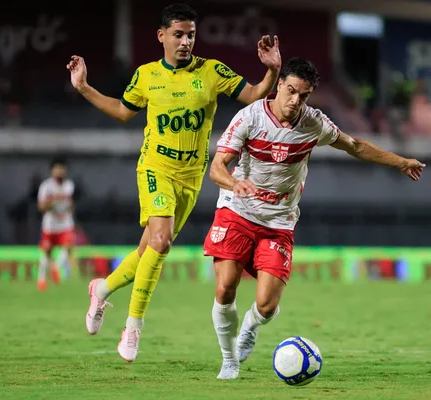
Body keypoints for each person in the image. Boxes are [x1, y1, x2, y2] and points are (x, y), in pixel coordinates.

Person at [66, 3, 281, 362]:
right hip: (155, 168)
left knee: (147, 250)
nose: (185, 42)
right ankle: (133, 327)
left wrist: (272, 70)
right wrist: (85, 87)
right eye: (178, 35)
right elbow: (122, 111)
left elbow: (255, 94)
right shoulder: (147, 75)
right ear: (161, 36)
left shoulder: (211, 71)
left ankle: (101, 289)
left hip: (191, 176)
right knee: (162, 242)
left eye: (191, 35)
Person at [203, 57, 425, 379]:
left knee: (265, 306)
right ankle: (229, 360)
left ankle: (250, 326)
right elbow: (217, 167)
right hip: (237, 210)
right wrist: (236, 183)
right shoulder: (249, 117)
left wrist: (401, 162)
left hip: (279, 221)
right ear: (279, 85)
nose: (295, 101)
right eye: (291, 91)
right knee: (225, 289)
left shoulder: (314, 123)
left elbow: (355, 145)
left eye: (303, 95)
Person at [37, 158, 75, 291]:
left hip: (65, 222)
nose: (59, 172)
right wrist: (50, 204)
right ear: (52, 171)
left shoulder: (69, 185)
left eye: (62, 169)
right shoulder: (46, 186)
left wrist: (69, 207)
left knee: (69, 246)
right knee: (47, 251)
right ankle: (41, 279)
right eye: (57, 169)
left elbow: (70, 204)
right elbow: (41, 206)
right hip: (50, 224)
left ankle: (56, 267)